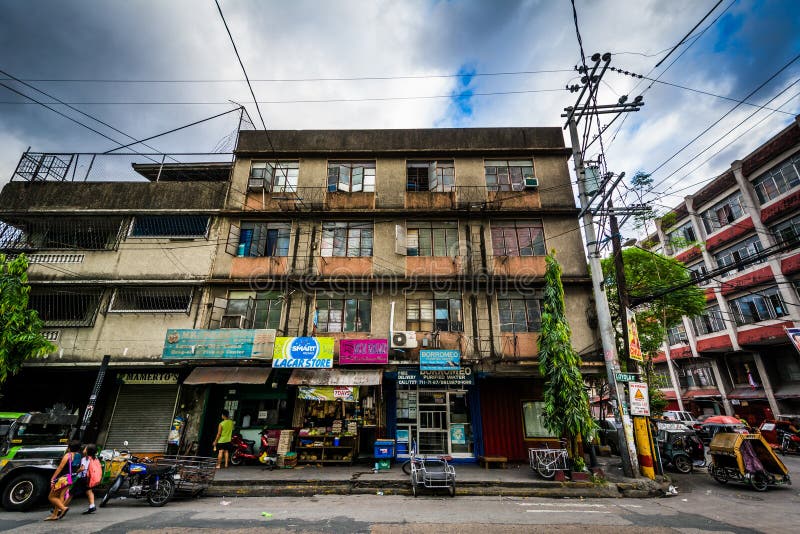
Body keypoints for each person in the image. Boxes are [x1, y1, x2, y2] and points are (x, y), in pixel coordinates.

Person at [45, 440, 82, 521]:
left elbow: (60, 468)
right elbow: (77, 468)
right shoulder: (79, 455)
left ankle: (63, 508)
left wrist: (53, 478)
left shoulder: (68, 455)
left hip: (63, 478)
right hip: (71, 478)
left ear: (69, 448)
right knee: (60, 495)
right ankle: (55, 515)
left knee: (51, 497)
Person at [66, 443, 100, 515]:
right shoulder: (95, 458)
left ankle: (61, 508)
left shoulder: (85, 459)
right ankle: (92, 506)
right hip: (89, 478)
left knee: (71, 493)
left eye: (85, 449)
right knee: (89, 491)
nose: (83, 450)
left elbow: (82, 468)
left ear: (87, 451)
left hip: (82, 478)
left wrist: (76, 472)